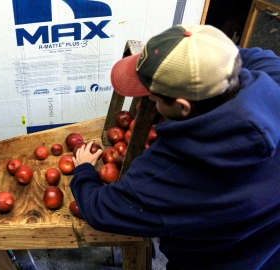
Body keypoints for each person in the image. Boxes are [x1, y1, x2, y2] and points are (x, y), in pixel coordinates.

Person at [70, 24, 280, 269]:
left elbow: (101, 209)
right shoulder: (273, 76)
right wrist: (199, 54)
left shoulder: (171, 173)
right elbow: (245, 55)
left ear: (183, 107)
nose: (148, 100)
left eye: (154, 98)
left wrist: (84, 171)